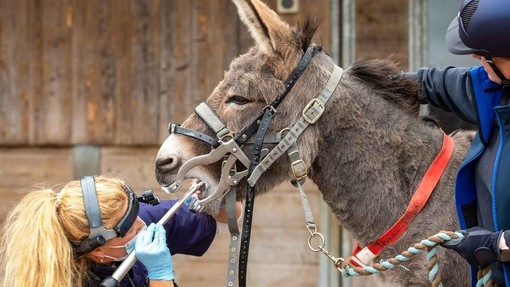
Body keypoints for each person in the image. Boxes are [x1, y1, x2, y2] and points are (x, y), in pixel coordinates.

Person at [412, 0, 510, 285]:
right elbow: (435, 83)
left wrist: (498, 244)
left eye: (483, 56)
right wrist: (353, 84)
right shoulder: (495, 90)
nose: (477, 59)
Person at [0, 175, 241, 287]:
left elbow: (229, 212)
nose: (144, 226)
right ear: (98, 251)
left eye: (138, 214)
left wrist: (216, 198)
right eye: (132, 230)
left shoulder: (133, 222)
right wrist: (159, 275)